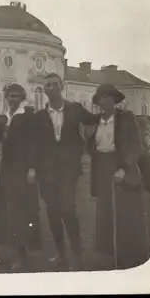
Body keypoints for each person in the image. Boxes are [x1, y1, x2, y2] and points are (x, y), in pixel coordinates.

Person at [34, 73, 99, 270]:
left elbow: (94, 120)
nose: (52, 88)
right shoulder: (39, 117)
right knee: (53, 214)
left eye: (55, 84)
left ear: (61, 86)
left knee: (68, 211)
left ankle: (77, 254)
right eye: (48, 85)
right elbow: (34, 144)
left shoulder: (75, 109)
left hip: (68, 171)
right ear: (44, 90)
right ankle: (61, 254)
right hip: (46, 173)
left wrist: (88, 144)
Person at [87, 83, 148, 269]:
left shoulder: (126, 118)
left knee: (127, 214)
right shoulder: (97, 121)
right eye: (100, 98)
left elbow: (137, 146)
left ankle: (131, 256)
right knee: (106, 213)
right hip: (103, 170)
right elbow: (92, 147)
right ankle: (110, 254)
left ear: (114, 100)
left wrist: (123, 168)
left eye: (107, 97)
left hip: (124, 168)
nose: (103, 101)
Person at [0, 84, 41, 271]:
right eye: (10, 95)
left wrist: (31, 168)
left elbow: (33, 143)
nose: (12, 99)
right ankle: (9, 252)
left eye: (16, 96)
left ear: (22, 97)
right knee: (6, 211)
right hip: (6, 168)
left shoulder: (27, 116)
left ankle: (20, 254)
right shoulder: (7, 117)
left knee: (19, 212)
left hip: (22, 169)